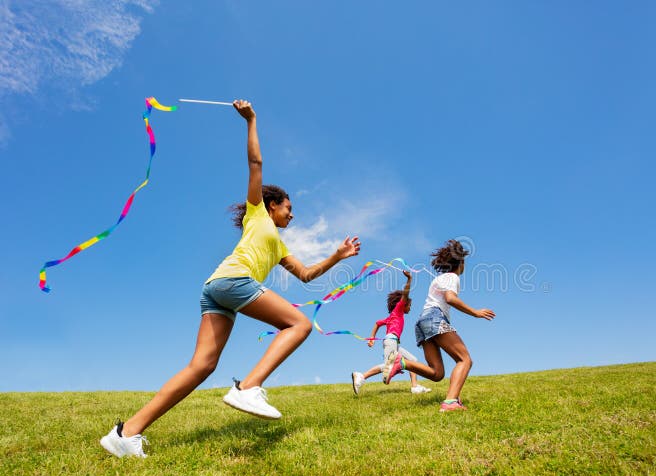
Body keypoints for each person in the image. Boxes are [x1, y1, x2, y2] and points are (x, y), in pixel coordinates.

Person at [101, 100, 361, 458]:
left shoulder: (279, 246)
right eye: (288, 207)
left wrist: (337, 256)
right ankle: (249, 387)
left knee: (202, 366)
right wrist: (251, 120)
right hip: (232, 282)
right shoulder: (257, 213)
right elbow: (256, 163)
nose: (292, 213)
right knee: (299, 324)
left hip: (216, 290)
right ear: (272, 205)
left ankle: (126, 432)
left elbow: (305, 275)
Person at [383, 240, 494, 412]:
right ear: (461, 263)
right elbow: (450, 298)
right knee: (464, 360)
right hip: (434, 319)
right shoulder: (452, 277)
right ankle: (450, 402)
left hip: (422, 323)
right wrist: (476, 312)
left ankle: (402, 362)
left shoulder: (440, 278)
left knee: (437, 373)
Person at [350, 270, 431, 395]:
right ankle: (361, 376)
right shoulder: (398, 310)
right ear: (403, 304)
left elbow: (377, 323)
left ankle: (414, 387)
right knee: (389, 368)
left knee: (413, 360)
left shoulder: (391, 317)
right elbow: (406, 293)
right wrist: (409, 279)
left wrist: (372, 338)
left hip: (394, 343)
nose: (410, 307)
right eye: (409, 305)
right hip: (391, 341)